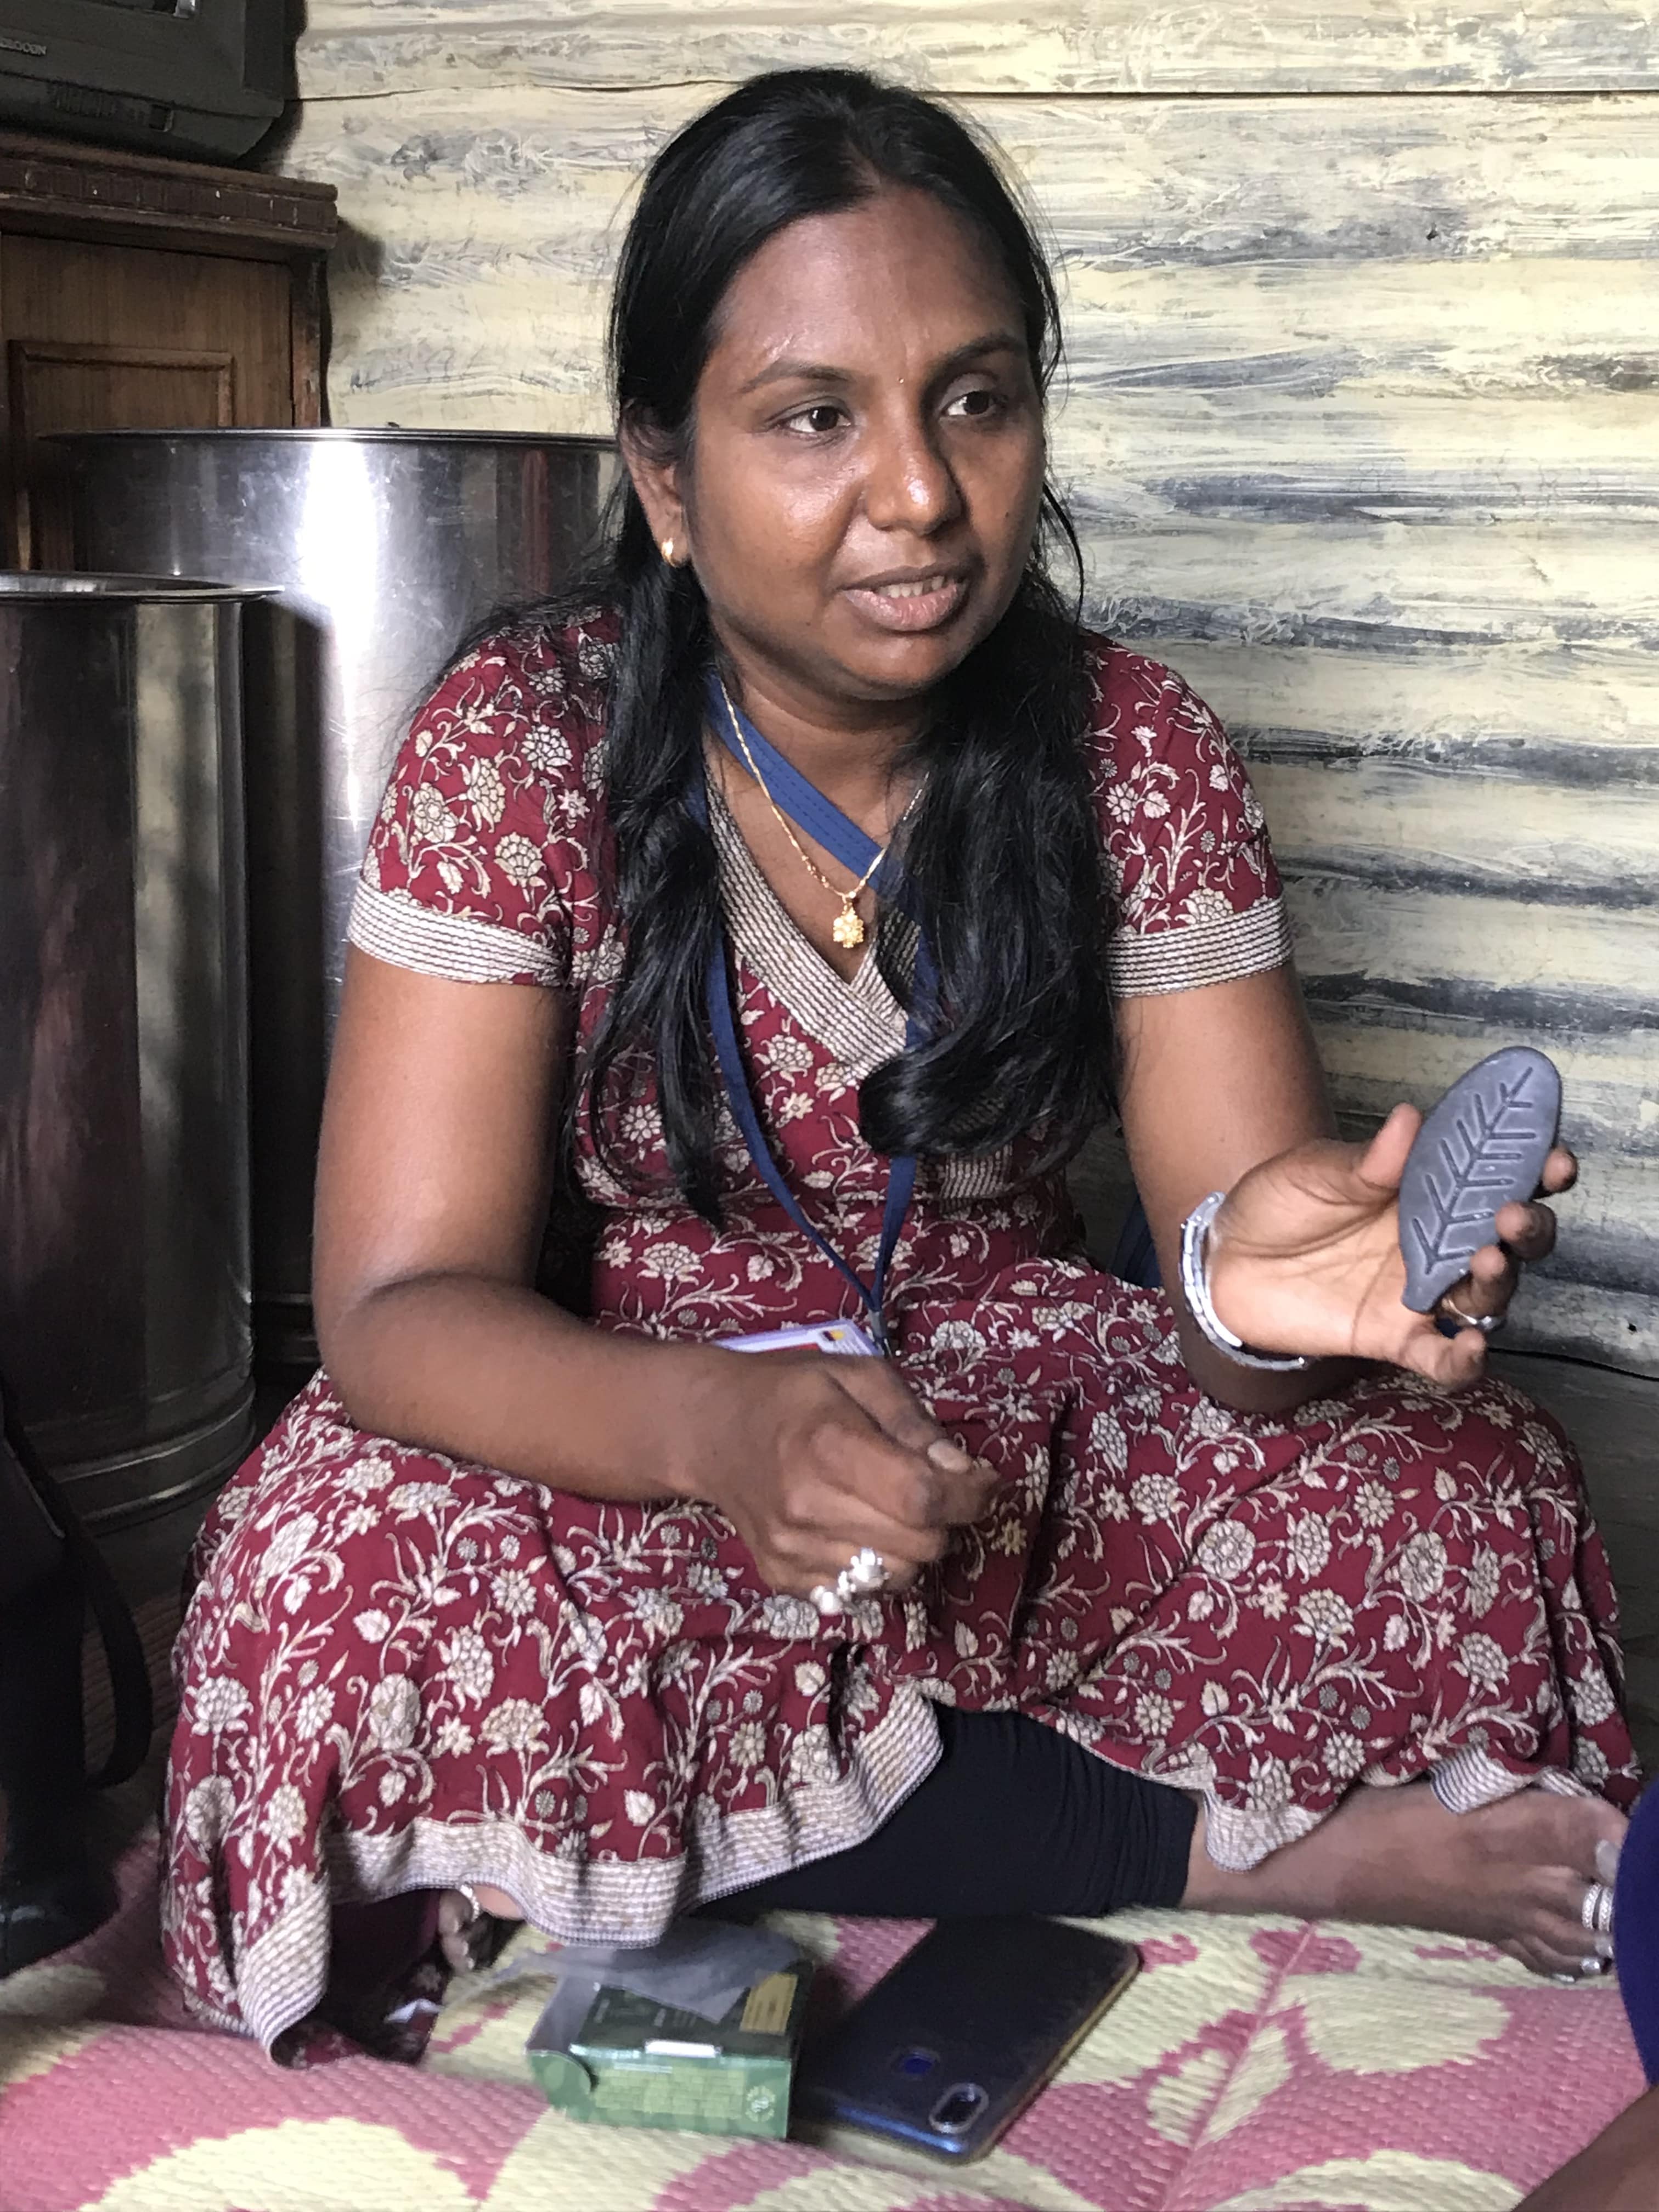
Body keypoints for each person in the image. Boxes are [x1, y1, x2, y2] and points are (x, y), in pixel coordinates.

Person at [163, 67, 1637, 2059]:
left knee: (1481, 1493)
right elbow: (398, 1310)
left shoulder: (1136, 751)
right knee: (317, 1568)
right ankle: (1232, 1850)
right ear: (668, 481)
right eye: (811, 418)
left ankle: (604, 1835)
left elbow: (1229, 1306)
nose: (924, 492)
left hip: (1009, 1388)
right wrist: (720, 1439)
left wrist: (1263, 1297)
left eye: (978, 397)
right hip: (622, 1413)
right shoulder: (522, 741)